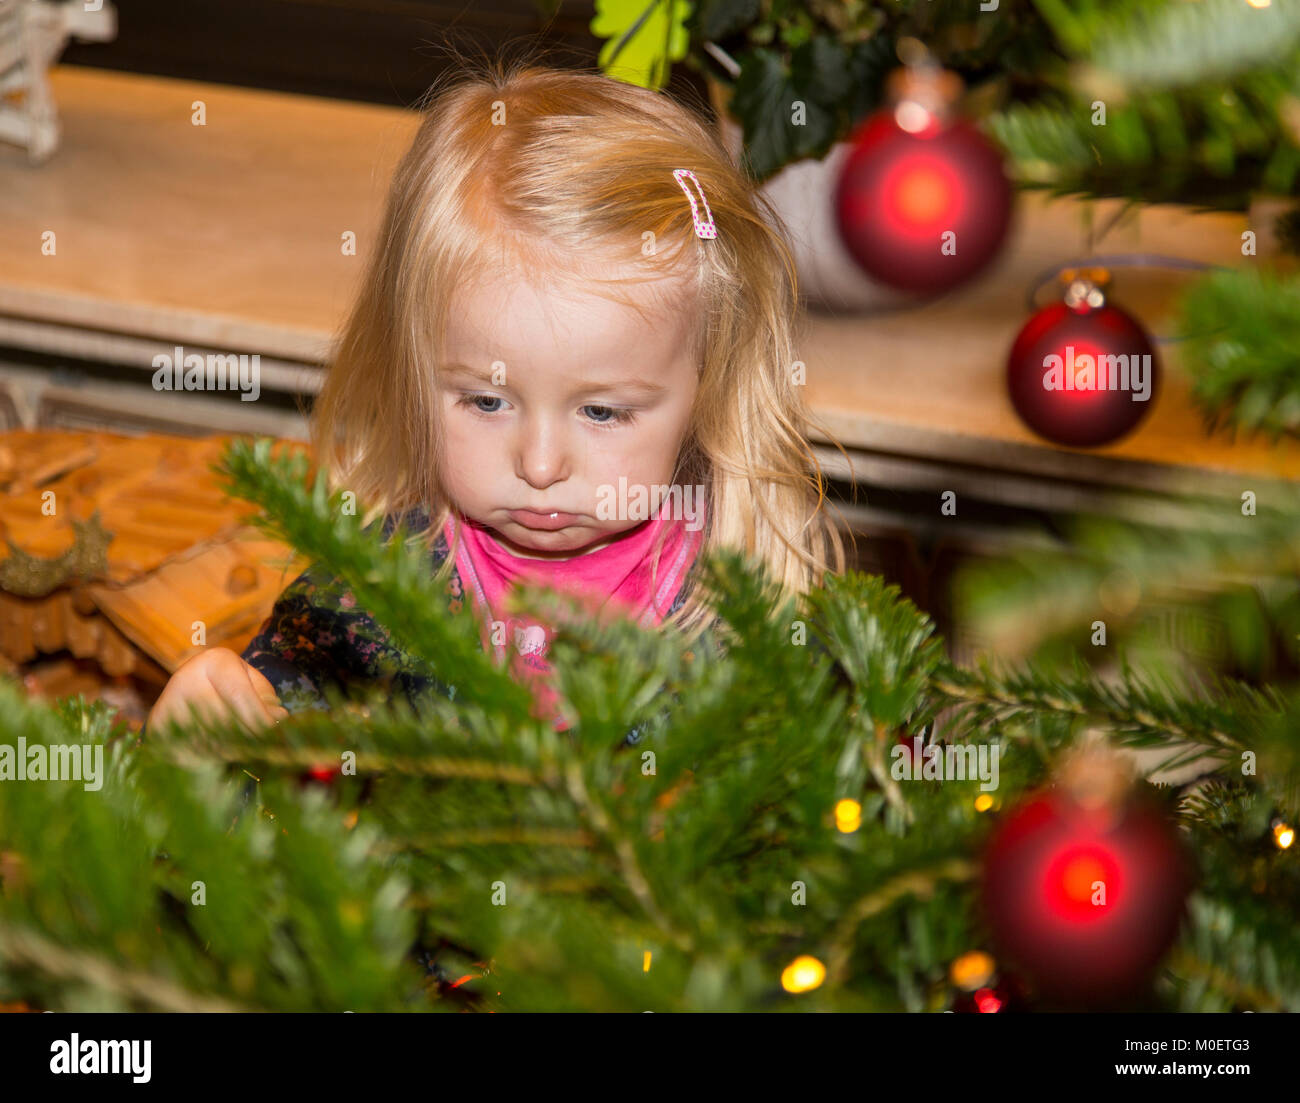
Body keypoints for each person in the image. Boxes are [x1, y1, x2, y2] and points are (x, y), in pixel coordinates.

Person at [145, 58, 849, 741]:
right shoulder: (387, 576)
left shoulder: (751, 608)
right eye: (487, 401)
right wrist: (240, 703)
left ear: (710, 386)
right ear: (415, 369)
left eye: (601, 411)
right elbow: (300, 687)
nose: (540, 466)